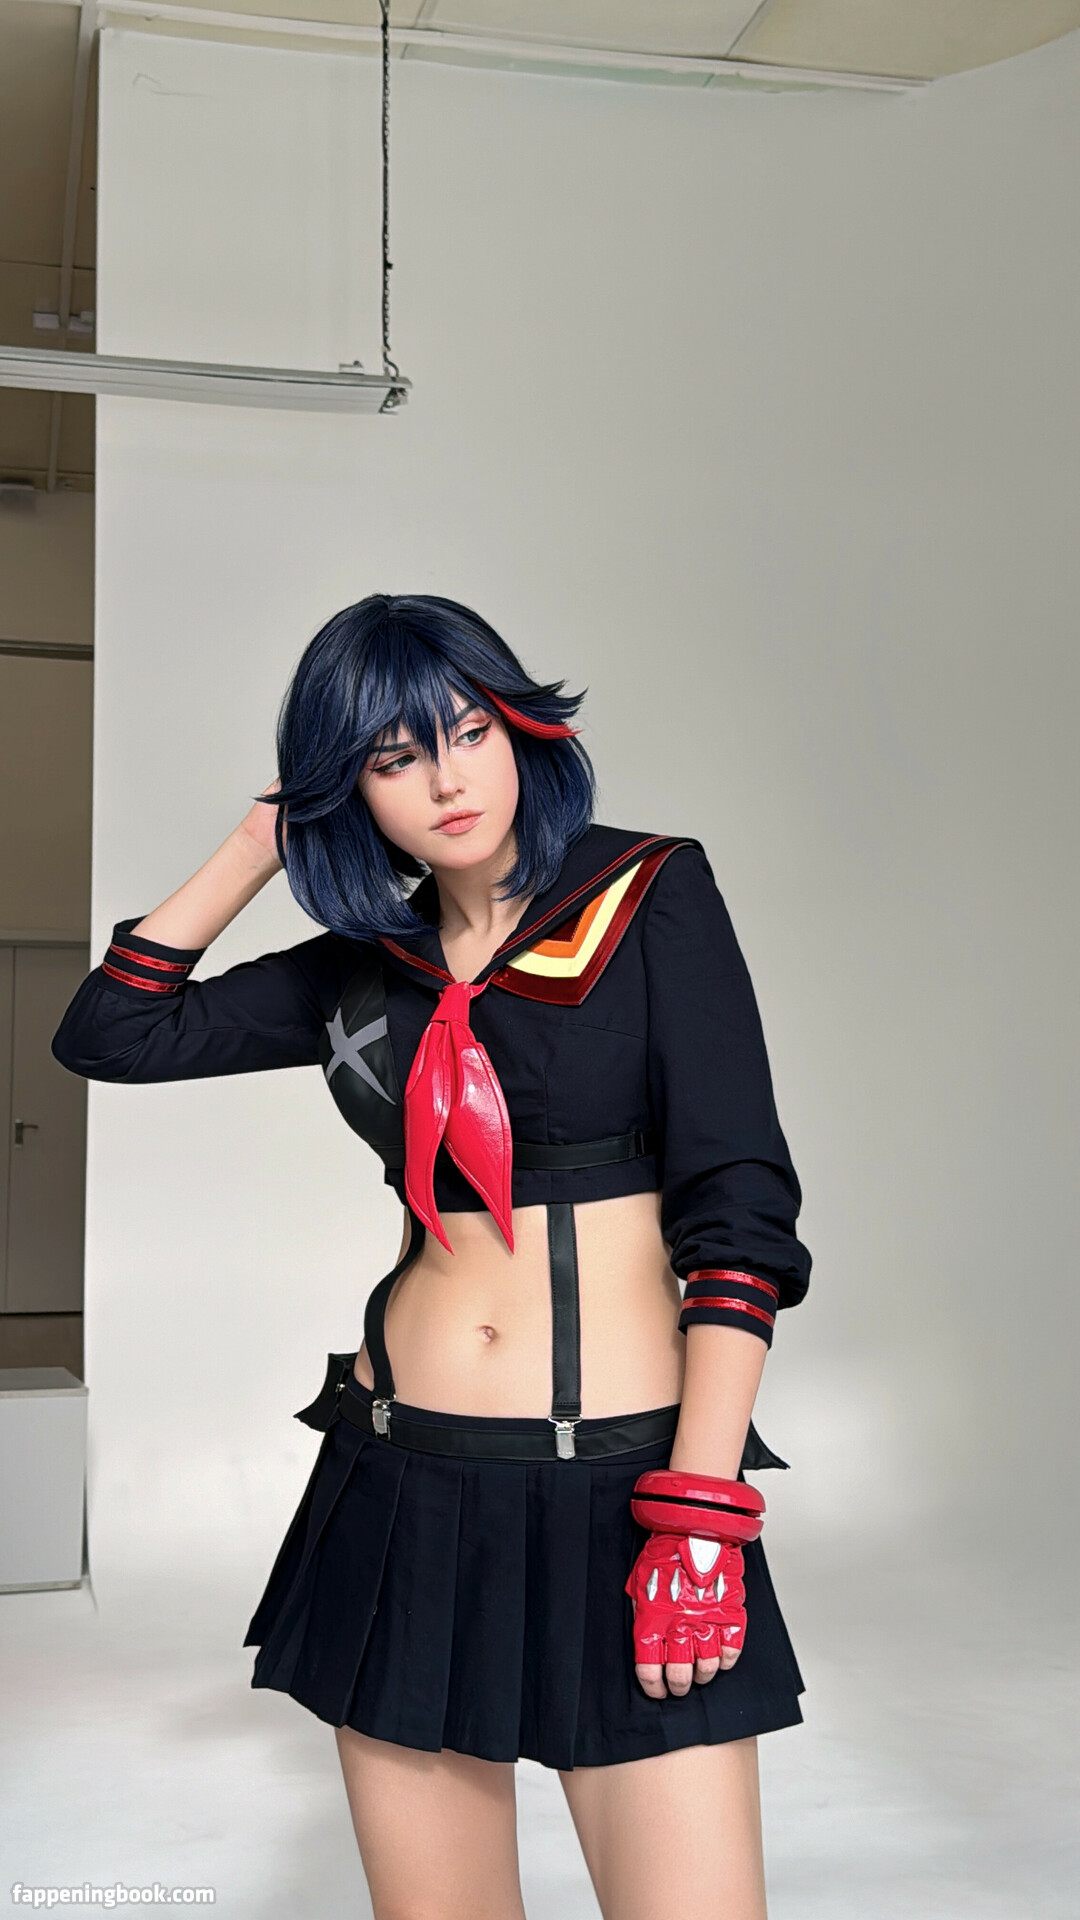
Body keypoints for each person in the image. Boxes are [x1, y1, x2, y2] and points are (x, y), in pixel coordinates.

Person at [52, 593, 811, 1920]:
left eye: (469, 733)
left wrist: (700, 1513)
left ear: (521, 730)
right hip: (401, 1485)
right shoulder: (361, 967)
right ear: (348, 787)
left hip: (624, 1487)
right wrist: (261, 840)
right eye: (394, 758)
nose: (448, 781)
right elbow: (113, 1034)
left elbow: (738, 1207)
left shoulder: (648, 896)